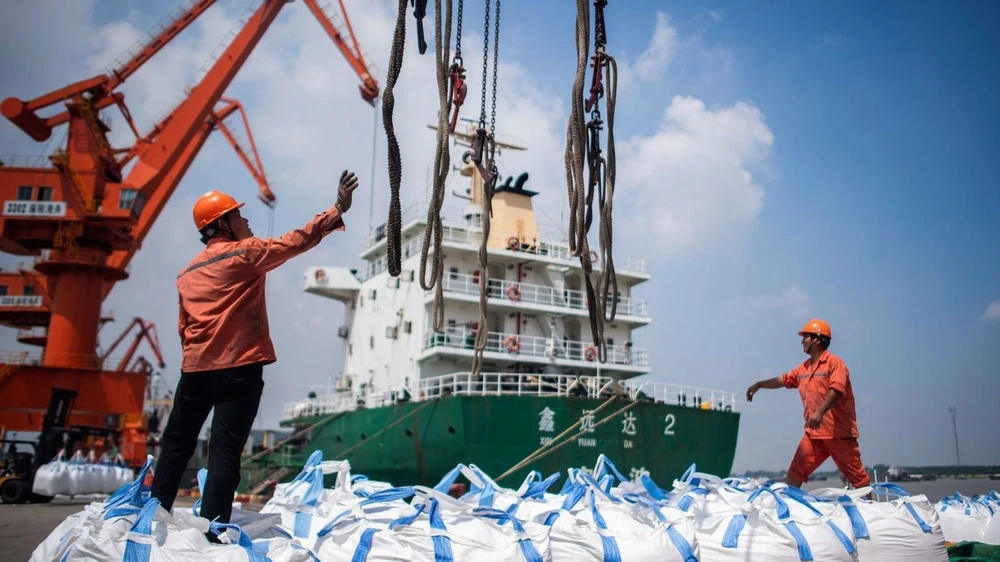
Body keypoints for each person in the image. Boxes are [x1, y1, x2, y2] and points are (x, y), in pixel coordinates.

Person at [150, 170, 360, 530]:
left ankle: (152, 516)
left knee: (175, 444)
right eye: (238, 215)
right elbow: (295, 241)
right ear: (223, 224)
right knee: (225, 452)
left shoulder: (185, 273)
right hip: (240, 369)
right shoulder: (245, 253)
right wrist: (337, 207)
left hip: (196, 369)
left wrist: (199, 354)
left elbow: (183, 328)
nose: (245, 219)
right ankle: (213, 529)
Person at [745, 318, 871, 490]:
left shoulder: (835, 364)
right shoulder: (803, 369)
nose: (802, 341)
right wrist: (759, 385)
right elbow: (782, 380)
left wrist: (820, 412)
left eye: (805, 337)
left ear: (817, 339)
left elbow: (837, 390)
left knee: (859, 480)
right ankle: (790, 509)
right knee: (795, 474)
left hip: (838, 434)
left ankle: (870, 511)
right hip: (814, 435)